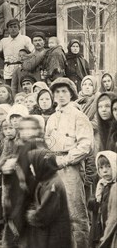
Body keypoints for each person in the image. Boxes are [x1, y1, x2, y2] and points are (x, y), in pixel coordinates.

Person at [45, 77, 94, 248]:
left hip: (71, 168)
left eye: (64, 91)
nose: (61, 95)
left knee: (76, 214)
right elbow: (48, 143)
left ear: (72, 93)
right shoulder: (51, 118)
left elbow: (86, 145)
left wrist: (65, 160)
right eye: (57, 92)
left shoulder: (78, 116)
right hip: (53, 168)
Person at [21, 149, 73, 248]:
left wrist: (29, 215)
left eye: (32, 164)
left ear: (41, 165)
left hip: (55, 236)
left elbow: (44, 214)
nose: (31, 168)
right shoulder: (44, 180)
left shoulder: (53, 185)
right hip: (48, 233)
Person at [0, 19, 35, 84]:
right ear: (8, 29)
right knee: (9, 88)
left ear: (19, 28)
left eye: (15, 27)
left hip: (21, 69)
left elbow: (33, 51)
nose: (13, 29)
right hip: (8, 70)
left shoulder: (25, 39)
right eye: (11, 27)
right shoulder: (4, 41)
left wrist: (26, 57)